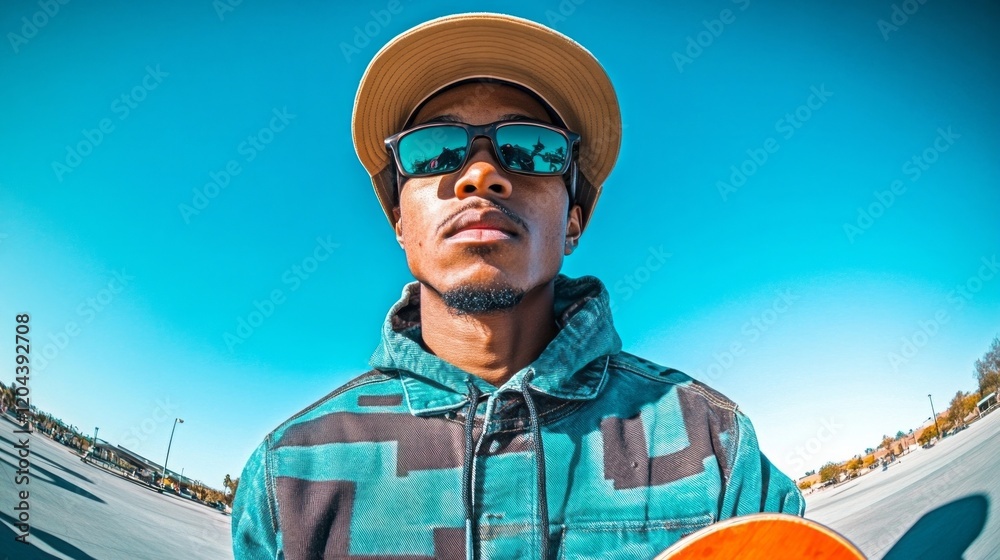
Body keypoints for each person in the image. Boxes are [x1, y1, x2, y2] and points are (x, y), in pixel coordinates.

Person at [232, 12, 803, 560]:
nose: (481, 174)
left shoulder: (716, 447)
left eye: (533, 147)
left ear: (574, 222)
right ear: (400, 224)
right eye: (434, 149)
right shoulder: (287, 478)